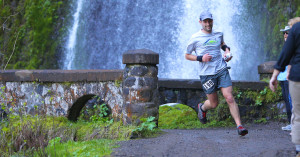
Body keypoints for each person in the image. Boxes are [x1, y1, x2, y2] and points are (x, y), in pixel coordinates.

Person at [185, 10, 248, 136]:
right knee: (214, 104)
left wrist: (227, 51)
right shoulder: (195, 38)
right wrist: (200, 58)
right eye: (205, 21)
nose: (208, 24)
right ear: (200, 22)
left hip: (221, 69)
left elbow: (223, 44)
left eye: (210, 21)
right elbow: (187, 55)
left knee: (229, 97)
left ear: (212, 21)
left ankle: (239, 126)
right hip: (206, 74)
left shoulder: (219, 33)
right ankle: (202, 107)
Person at [269, 18, 300, 156]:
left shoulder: (296, 29)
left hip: (297, 76)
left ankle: (299, 150)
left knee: (298, 114)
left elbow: (286, 54)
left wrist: (274, 75)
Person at [278, 26, 293, 131]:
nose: (285, 35)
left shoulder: (293, 46)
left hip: (290, 77)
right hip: (282, 78)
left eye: (287, 33)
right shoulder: (286, 46)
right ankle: (290, 123)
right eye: (284, 33)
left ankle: (294, 124)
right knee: (287, 101)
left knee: (291, 101)